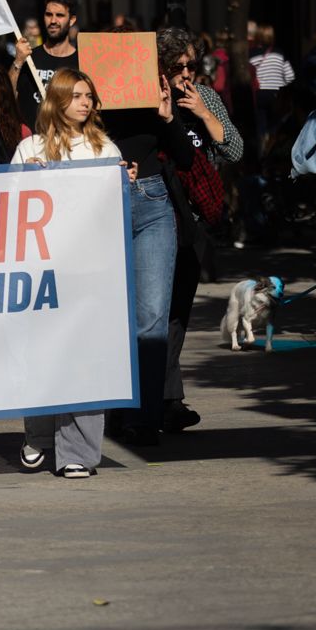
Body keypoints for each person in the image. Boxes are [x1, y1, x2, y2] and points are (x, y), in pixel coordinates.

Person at [12, 69, 122, 478]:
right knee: (43, 357)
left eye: (89, 95)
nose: (85, 102)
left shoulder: (104, 148)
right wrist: (26, 181)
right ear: (56, 99)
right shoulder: (29, 148)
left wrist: (122, 184)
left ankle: (77, 451)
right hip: (42, 271)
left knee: (86, 360)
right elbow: (8, 207)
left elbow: (111, 210)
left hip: (89, 270)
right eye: (76, 95)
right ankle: (39, 436)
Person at [99, 53, 197, 446]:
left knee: (152, 318)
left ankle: (145, 418)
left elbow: (187, 158)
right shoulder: (93, 103)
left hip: (153, 203)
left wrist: (168, 115)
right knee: (114, 318)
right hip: (105, 203)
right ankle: (116, 412)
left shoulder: (156, 103)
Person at [160, 28, 243, 433]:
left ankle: (169, 398)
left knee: (177, 312)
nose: (187, 74)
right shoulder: (148, 96)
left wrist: (205, 113)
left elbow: (234, 149)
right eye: (178, 67)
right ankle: (153, 398)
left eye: (193, 65)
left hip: (192, 218)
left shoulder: (205, 97)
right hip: (155, 210)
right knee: (150, 313)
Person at [12, 0, 79, 129]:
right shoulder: (29, 57)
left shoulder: (81, 60)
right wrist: (18, 61)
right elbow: (9, 96)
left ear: (71, 20)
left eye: (59, 15)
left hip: (69, 139)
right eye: (49, 15)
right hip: (34, 142)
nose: (53, 21)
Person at [251, 23, 295, 150]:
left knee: (260, 125)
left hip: (259, 94)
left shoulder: (251, 54)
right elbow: (290, 77)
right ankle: (273, 147)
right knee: (276, 125)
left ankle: (262, 148)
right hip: (276, 94)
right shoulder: (279, 54)